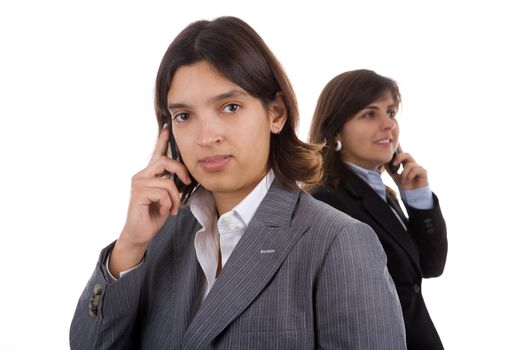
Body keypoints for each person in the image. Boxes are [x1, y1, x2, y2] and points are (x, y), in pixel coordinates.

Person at [69, 18, 406, 349]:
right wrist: (129, 247)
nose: (206, 137)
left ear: (275, 113)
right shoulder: (159, 237)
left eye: (230, 107)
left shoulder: (337, 241)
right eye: (184, 116)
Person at [308, 69, 448, 350]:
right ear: (336, 129)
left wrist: (417, 196)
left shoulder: (384, 194)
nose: (389, 126)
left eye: (391, 113)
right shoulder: (327, 201)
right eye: (370, 114)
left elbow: (431, 265)